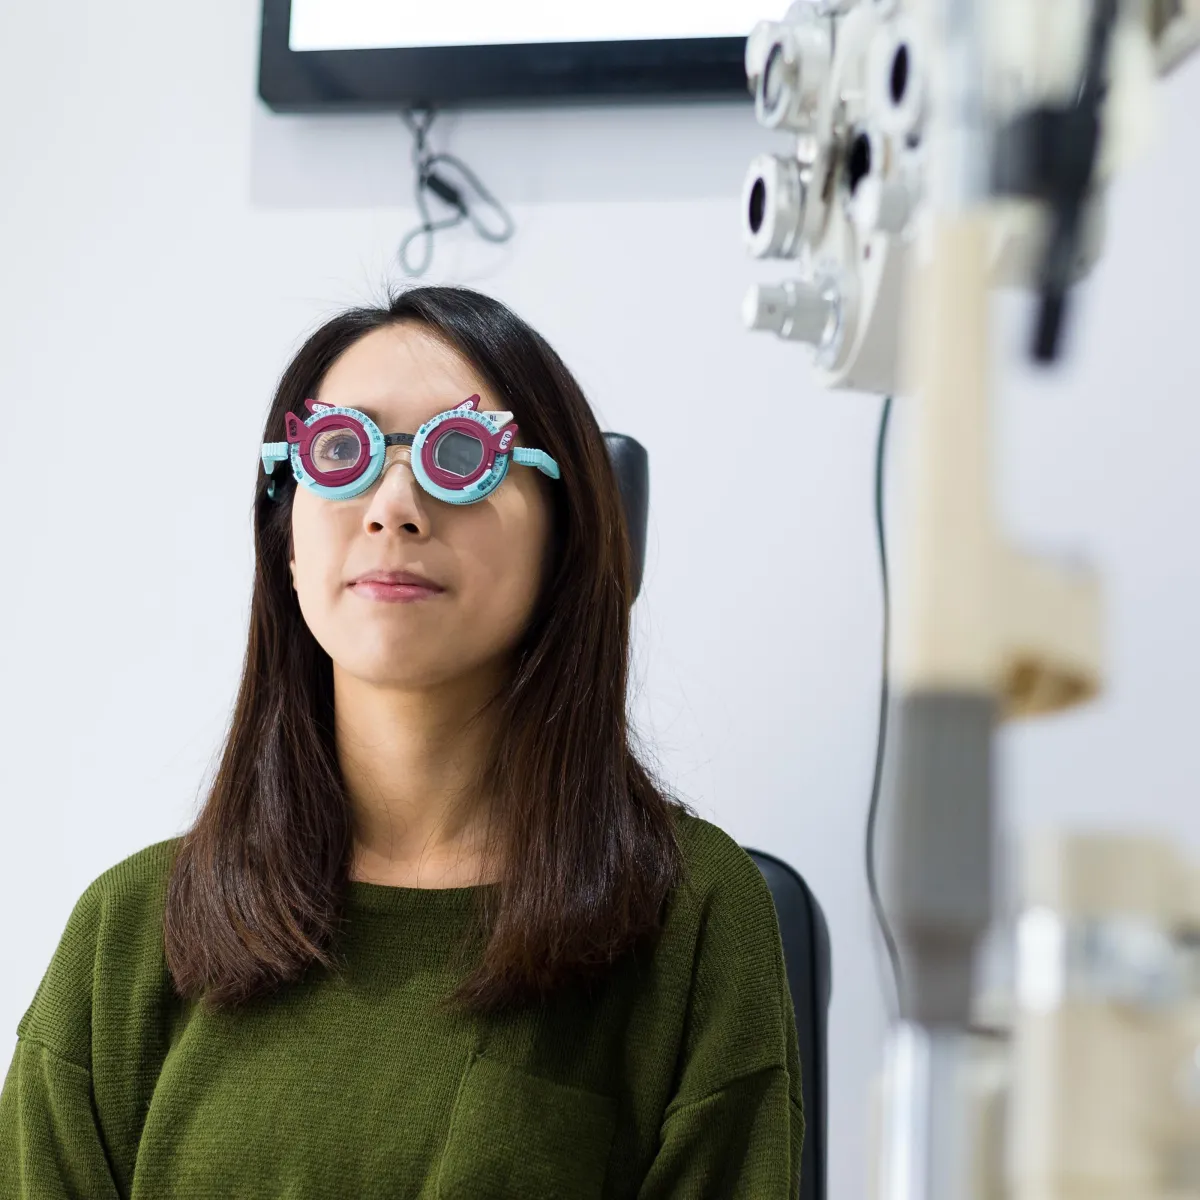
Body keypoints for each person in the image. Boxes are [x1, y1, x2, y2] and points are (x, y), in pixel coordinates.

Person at [0, 286, 804, 1198]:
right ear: (288, 543)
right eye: (339, 452)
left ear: (567, 538)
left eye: (460, 454)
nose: (393, 507)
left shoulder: (692, 919)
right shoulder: (127, 934)